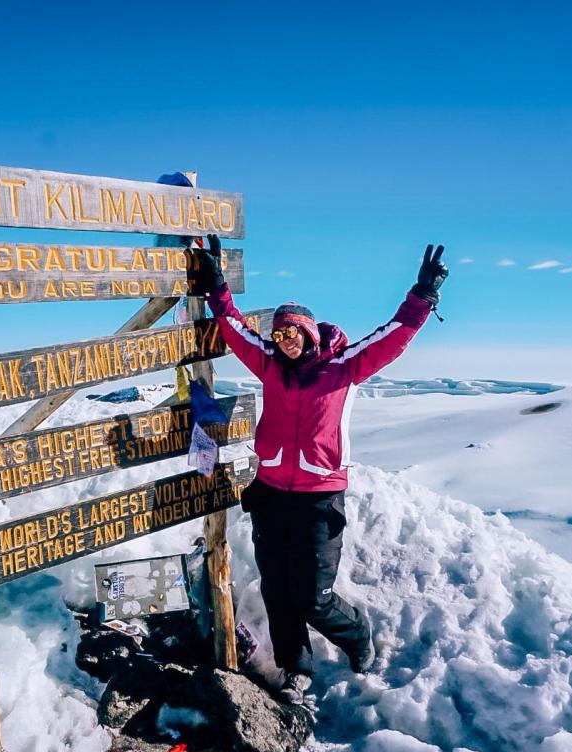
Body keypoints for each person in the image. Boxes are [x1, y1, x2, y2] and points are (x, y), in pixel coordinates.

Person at [190, 236, 448, 704]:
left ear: (309, 332)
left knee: (312, 597)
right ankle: (296, 669)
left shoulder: (343, 367)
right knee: (278, 589)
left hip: (318, 497)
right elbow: (233, 330)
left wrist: (423, 296)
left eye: (293, 333)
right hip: (270, 491)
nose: (285, 342)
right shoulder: (270, 366)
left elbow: (393, 336)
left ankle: (356, 636)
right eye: (280, 335)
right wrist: (216, 288)